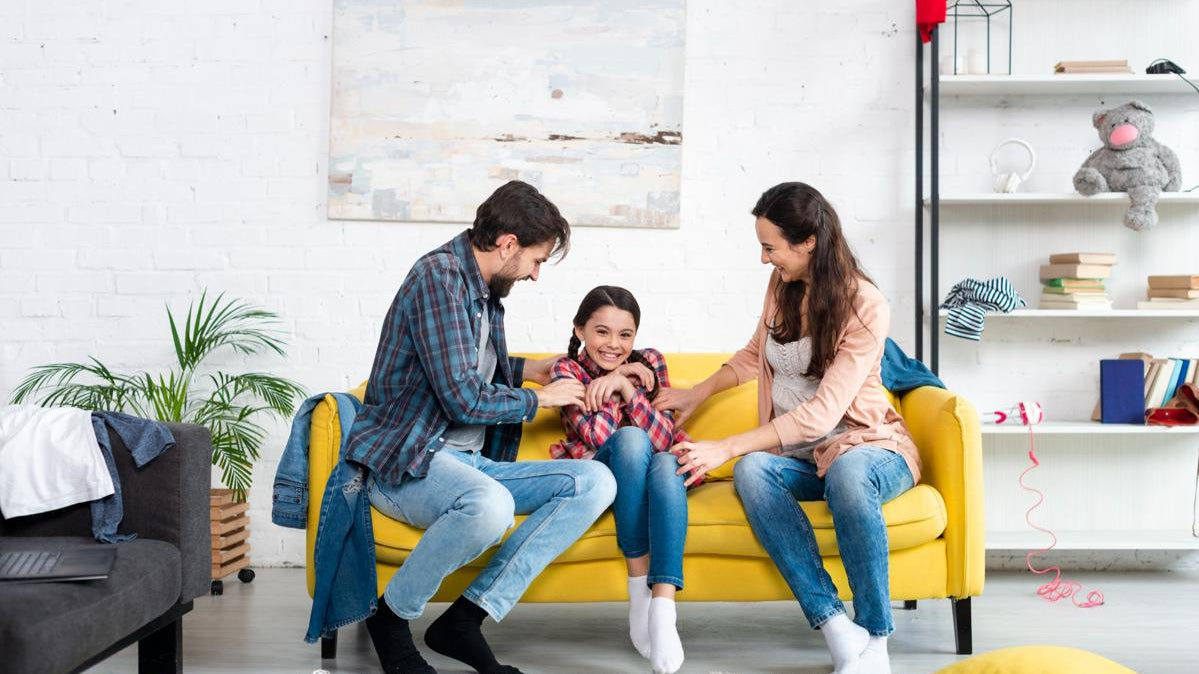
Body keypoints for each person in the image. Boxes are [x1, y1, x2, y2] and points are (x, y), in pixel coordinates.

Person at [347, 180, 618, 674]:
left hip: (465, 463)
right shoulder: (439, 280)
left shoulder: (484, 289)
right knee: (492, 507)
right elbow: (461, 396)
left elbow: (461, 366)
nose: (535, 274)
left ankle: (466, 618)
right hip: (408, 461)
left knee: (596, 480)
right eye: (536, 260)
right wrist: (540, 398)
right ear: (508, 244)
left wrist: (527, 369)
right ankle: (390, 617)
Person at [655, 182, 921, 674]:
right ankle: (837, 627)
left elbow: (822, 416)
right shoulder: (782, 285)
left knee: (846, 472)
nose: (763, 259)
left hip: (869, 447)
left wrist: (725, 447)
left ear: (809, 242)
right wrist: (699, 392)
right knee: (754, 471)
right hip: (803, 458)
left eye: (770, 247)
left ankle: (877, 639)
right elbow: (756, 356)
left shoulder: (866, 304)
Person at [547, 286, 692, 674]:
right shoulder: (566, 370)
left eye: (625, 335)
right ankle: (637, 585)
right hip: (603, 469)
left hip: (658, 478)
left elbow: (665, 437)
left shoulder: (652, 363)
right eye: (602, 332)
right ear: (580, 331)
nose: (614, 344)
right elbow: (596, 436)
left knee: (664, 462)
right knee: (630, 438)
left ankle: (662, 606)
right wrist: (617, 380)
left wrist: (626, 386)